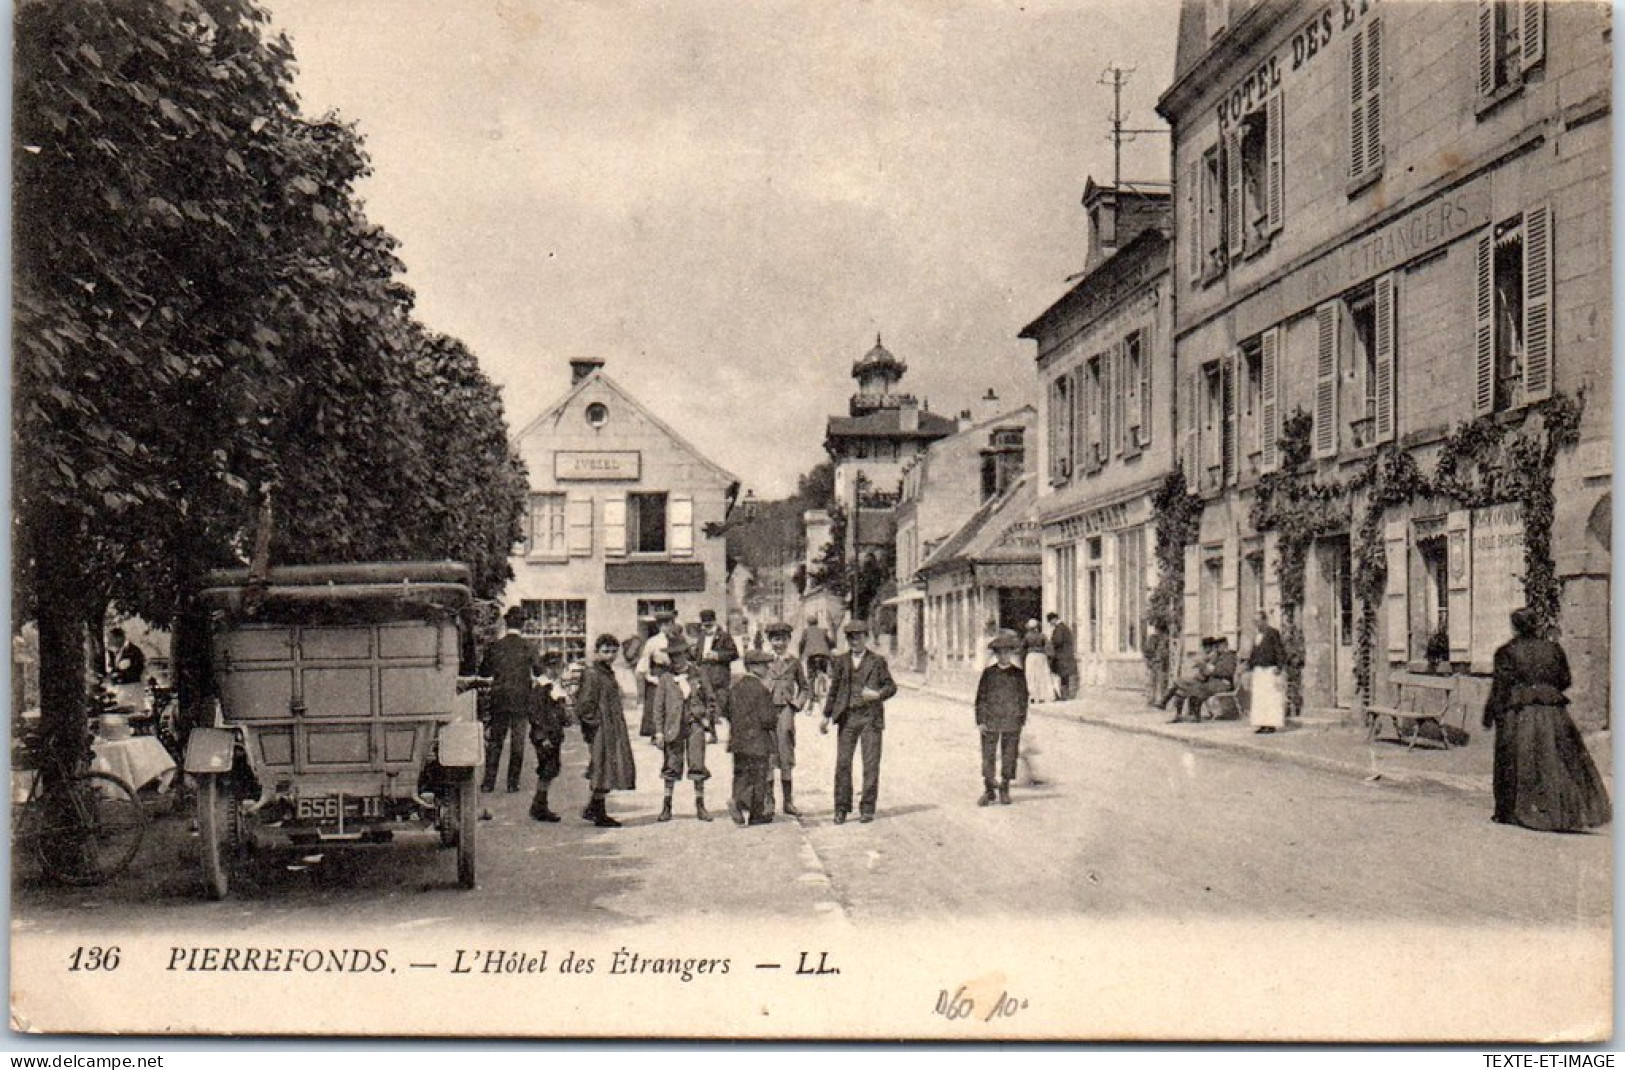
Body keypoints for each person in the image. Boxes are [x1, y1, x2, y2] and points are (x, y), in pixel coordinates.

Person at [1482, 607, 1611, 832]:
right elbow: (1565, 679)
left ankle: (1513, 812)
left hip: (1520, 713)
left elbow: (1499, 688)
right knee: (1562, 759)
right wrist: (1545, 688)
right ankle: (1565, 813)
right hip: (1553, 712)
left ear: (1514, 627)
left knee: (1516, 761)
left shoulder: (1506, 652)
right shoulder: (1553, 649)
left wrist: (1490, 714)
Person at [820, 620, 896, 824]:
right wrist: (826, 716)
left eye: (859, 637)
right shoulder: (841, 661)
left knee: (870, 764)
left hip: (870, 718)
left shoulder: (877, 661)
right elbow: (834, 690)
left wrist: (877, 694)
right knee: (843, 764)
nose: (855, 641)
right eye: (851, 638)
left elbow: (891, 686)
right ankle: (841, 808)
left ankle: (868, 808)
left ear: (866, 638)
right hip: (847, 717)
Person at [575, 633, 636, 828]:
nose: (610, 655)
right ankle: (598, 811)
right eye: (606, 651)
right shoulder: (593, 673)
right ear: (596, 652)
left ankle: (594, 807)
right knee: (602, 767)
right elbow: (584, 705)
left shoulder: (607, 672)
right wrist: (594, 726)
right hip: (601, 728)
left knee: (609, 767)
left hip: (612, 726)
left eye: (613, 652)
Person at [653, 638, 718, 822]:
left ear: (685, 654)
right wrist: (658, 731)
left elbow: (711, 699)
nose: (676, 659)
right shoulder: (666, 678)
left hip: (694, 725)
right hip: (673, 728)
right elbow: (658, 707)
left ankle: (700, 806)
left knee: (697, 764)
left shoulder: (698, 673)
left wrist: (706, 717)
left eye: (679, 655)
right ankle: (667, 806)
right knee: (671, 766)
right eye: (672, 656)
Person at [480, 607, 541, 793]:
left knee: (496, 741)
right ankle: (512, 783)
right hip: (522, 701)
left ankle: (488, 783)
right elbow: (539, 671)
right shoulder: (529, 647)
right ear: (523, 624)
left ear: (506, 623)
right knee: (518, 742)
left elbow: (484, 671)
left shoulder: (495, 646)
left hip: (499, 699)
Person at [725, 649, 781, 826]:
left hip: (739, 740)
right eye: (764, 665)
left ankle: (737, 803)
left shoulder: (736, 687)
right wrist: (775, 716)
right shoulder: (761, 689)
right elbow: (767, 719)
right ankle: (755, 814)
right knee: (759, 776)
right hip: (758, 741)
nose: (767, 669)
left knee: (741, 774)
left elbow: (727, 711)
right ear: (753, 667)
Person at [974, 630, 1028, 806]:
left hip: (1011, 721)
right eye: (1000, 653)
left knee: (1009, 755)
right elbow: (980, 698)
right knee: (988, 755)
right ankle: (989, 789)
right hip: (990, 720)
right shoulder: (989, 674)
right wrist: (980, 720)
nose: (1004, 656)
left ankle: (1004, 787)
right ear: (996, 655)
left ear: (1011, 654)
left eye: (1007, 652)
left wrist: (1021, 718)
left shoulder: (1018, 674)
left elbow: (1023, 697)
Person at [761, 621, 809, 817]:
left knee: (786, 752)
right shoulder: (764, 661)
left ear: (789, 640)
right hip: (766, 710)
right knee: (768, 753)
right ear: (770, 641)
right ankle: (768, 802)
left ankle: (788, 802)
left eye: (782, 639)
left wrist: (797, 704)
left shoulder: (794, 662)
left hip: (786, 710)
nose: (779, 643)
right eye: (775, 639)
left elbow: (805, 687)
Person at [526, 651, 569, 822]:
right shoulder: (540, 688)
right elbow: (535, 714)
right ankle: (539, 805)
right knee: (547, 769)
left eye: (558, 666)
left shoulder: (553, 686)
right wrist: (543, 736)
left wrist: (564, 718)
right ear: (544, 668)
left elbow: (558, 711)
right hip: (544, 736)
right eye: (551, 666)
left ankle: (540, 804)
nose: (555, 670)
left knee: (551, 768)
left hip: (554, 734)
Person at [1159, 637, 1236, 724]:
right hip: (1211, 681)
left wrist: (1211, 670)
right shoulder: (1217, 656)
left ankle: (1193, 715)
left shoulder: (1230, 656)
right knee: (1183, 689)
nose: (1217, 648)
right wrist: (1205, 667)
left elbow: (1228, 672)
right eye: (1217, 646)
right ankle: (1184, 714)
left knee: (1195, 688)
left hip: (1223, 683)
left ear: (1225, 645)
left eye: (1219, 646)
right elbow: (1208, 668)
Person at [635, 611, 683, 740]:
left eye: (670, 624)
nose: (668, 627)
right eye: (665, 624)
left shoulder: (677, 640)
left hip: (673, 671)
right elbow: (645, 660)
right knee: (656, 703)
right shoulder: (653, 641)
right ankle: (655, 732)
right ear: (659, 626)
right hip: (658, 672)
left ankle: (672, 730)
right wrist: (649, 677)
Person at [1246, 612, 1287, 735]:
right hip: (1259, 670)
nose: (1257, 624)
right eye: (1255, 622)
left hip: (1270, 670)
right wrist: (1249, 665)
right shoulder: (1257, 636)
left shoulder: (1272, 633)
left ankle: (1271, 724)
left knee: (1271, 698)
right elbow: (1254, 653)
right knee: (1259, 698)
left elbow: (1279, 650)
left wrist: (1279, 666)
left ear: (1265, 620)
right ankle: (1262, 723)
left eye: (1259, 621)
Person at [695, 608, 739, 701]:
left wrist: (717, 655)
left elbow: (734, 654)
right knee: (706, 700)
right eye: (705, 626)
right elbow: (697, 653)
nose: (707, 628)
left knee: (720, 701)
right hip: (704, 673)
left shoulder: (724, 636)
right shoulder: (701, 636)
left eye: (709, 626)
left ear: (715, 622)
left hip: (719, 674)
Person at [1045, 613, 1077, 701]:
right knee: (1064, 676)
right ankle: (1064, 695)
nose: (1050, 624)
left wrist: (1050, 642)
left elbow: (1057, 641)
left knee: (1062, 676)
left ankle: (1063, 695)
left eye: (1050, 622)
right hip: (1065, 655)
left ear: (1054, 619)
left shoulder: (1060, 628)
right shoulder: (1064, 627)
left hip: (1062, 656)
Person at [1022, 620, 1055, 703]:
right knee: (1042, 675)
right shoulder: (1042, 636)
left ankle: (1032, 695)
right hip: (1041, 656)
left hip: (1031, 656)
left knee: (1031, 676)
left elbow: (1023, 646)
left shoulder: (1027, 636)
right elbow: (1048, 646)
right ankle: (1042, 696)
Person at [799, 614, 833, 686]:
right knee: (829, 673)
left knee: (811, 676)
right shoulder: (823, 631)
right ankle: (829, 688)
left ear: (808, 623)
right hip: (824, 655)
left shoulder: (806, 631)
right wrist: (830, 648)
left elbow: (802, 643)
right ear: (817, 623)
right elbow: (830, 642)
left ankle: (811, 695)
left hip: (812, 655)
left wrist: (800, 654)